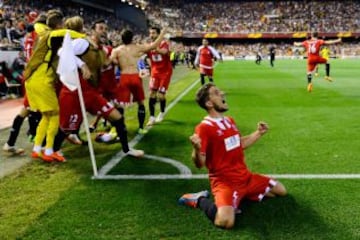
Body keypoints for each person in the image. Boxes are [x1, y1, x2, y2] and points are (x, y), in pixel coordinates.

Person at [178, 83, 287, 229]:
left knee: (281, 191)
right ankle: (199, 199)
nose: (222, 94)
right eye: (216, 93)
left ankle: (240, 196)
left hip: (245, 177)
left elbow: (239, 144)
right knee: (225, 222)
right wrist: (196, 149)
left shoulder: (229, 121)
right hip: (225, 183)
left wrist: (258, 133)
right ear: (209, 103)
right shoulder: (203, 128)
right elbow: (199, 163)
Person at [111, 27, 167, 133]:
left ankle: (119, 129)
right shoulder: (137, 47)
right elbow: (154, 46)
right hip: (135, 76)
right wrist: (162, 34)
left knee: (119, 104)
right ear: (132, 38)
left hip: (124, 76)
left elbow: (110, 60)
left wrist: (117, 63)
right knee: (140, 103)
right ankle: (141, 128)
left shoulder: (116, 50)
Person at [146, 27, 173, 126]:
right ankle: (152, 117)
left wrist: (155, 48)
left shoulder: (164, 43)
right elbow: (148, 57)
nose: (151, 35)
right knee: (152, 93)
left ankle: (162, 112)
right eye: (150, 33)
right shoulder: (149, 45)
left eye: (153, 33)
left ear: (158, 34)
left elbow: (164, 52)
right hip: (155, 72)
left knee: (161, 95)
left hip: (165, 72)